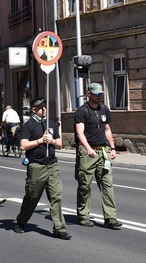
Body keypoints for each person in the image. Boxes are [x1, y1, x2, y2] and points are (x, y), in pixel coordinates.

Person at [14, 98, 71, 240]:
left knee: (56, 196)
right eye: (40, 107)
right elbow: (23, 145)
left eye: (45, 107)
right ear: (33, 109)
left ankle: (59, 228)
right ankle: (21, 221)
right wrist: (40, 141)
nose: (44, 109)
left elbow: (59, 144)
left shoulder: (51, 123)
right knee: (32, 196)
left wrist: (51, 141)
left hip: (52, 165)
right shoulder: (28, 125)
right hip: (36, 165)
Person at [75, 82, 122, 229]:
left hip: (102, 152)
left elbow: (107, 129)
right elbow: (79, 132)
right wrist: (88, 148)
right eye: (96, 94)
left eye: (100, 94)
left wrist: (112, 148)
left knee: (107, 184)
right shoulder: (82, 111)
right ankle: (83, 215)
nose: (99, 96)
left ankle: (110, 217)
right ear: (88, 94)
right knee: (85, 185)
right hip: (87, 152)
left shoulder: (104, 109)